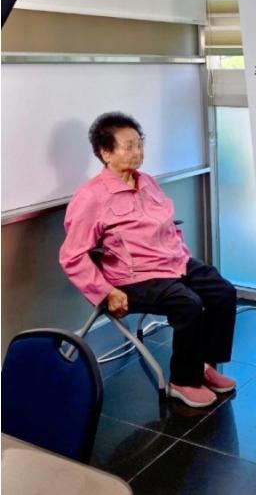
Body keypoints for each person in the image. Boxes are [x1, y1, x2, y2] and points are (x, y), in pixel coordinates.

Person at [60, 112, 237, 409]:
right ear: (105, 153)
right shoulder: (91, 197)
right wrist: (106, 292)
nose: (137, 152)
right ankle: (183, 381)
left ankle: (203, 364)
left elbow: (169, 226)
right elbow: (72, 255)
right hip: (132, 278)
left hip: (172, 264)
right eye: (128, 146)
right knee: (189, 304)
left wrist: (181, 253)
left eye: (139, 144)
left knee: (223, 292)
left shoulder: (148, 183)